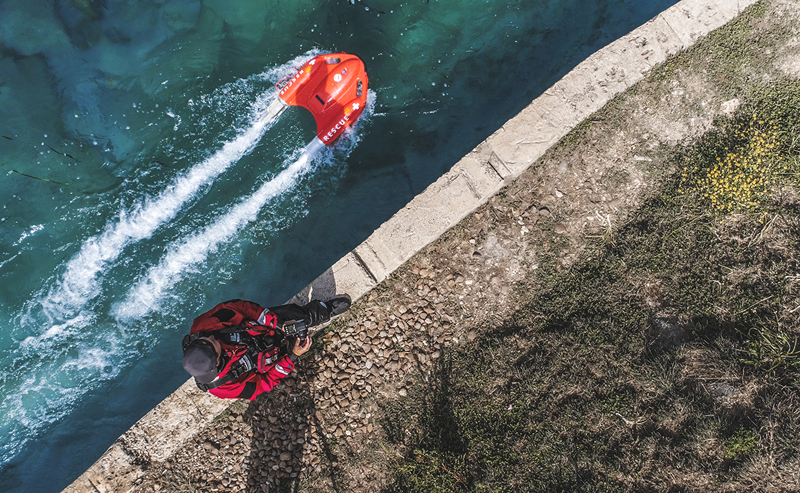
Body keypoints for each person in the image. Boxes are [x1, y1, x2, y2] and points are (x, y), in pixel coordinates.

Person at [182, 296, 350, 400]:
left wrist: (278, 324)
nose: (212, 336)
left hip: (268, 326)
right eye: (213, 343)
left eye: (206, 339)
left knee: (296, 314)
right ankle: (294, 338)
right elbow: (264, 383)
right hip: (276, 355)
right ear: (217, 360)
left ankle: (322, 311)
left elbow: (239, 306)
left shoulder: (203, 326)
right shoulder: (223, 387)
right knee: (299, 338)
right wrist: (293, 356)